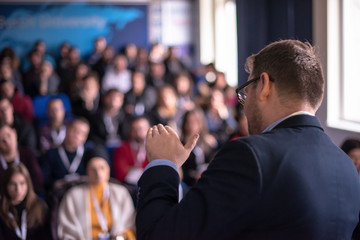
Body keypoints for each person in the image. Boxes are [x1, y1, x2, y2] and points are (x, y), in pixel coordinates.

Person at [136, 40, 360, 239]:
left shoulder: (250, 155)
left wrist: (164, 163)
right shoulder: (346, 167)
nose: (244, 107)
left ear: (263, 85)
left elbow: (159, 233)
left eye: (245, 93)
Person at [57, 146, 135, 240]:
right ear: (87, 171)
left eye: (102, 168)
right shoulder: (73, 196)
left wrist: (120, 237)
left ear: (108, 169)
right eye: (93, 169)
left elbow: (129, 226)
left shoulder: (121, 193)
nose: (98, 173)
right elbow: (67, 231)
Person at [0, 163, 51, 239]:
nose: (18, 189)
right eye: (12, 184)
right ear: (6, 185)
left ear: (28, 184)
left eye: (22, 183)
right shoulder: (1, 209)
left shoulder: (40, 206)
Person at [41, 117, 90, 190]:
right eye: (75, 130)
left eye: (82, 133)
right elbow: (45, 180)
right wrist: (56, 183)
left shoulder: (88, 154)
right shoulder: (51, 153)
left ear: (85, 138)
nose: (77, 135)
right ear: (67, 129)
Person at [0, 123, 43, 194]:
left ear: (14, 133)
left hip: (28, 197)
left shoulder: (28, 153)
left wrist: (22, 192)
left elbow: (38, 181)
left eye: (8, 135)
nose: (7, 142)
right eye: (2, 140)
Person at [112, 116, 150, 185]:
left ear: (149, 129)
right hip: (128, 186)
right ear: (130, 131)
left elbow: (154, 171)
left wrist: (131, 169)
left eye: (141, 129)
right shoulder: (123, 148)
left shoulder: (153, 148)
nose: (138, 133)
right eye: (135, 130)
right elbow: (120, 173)